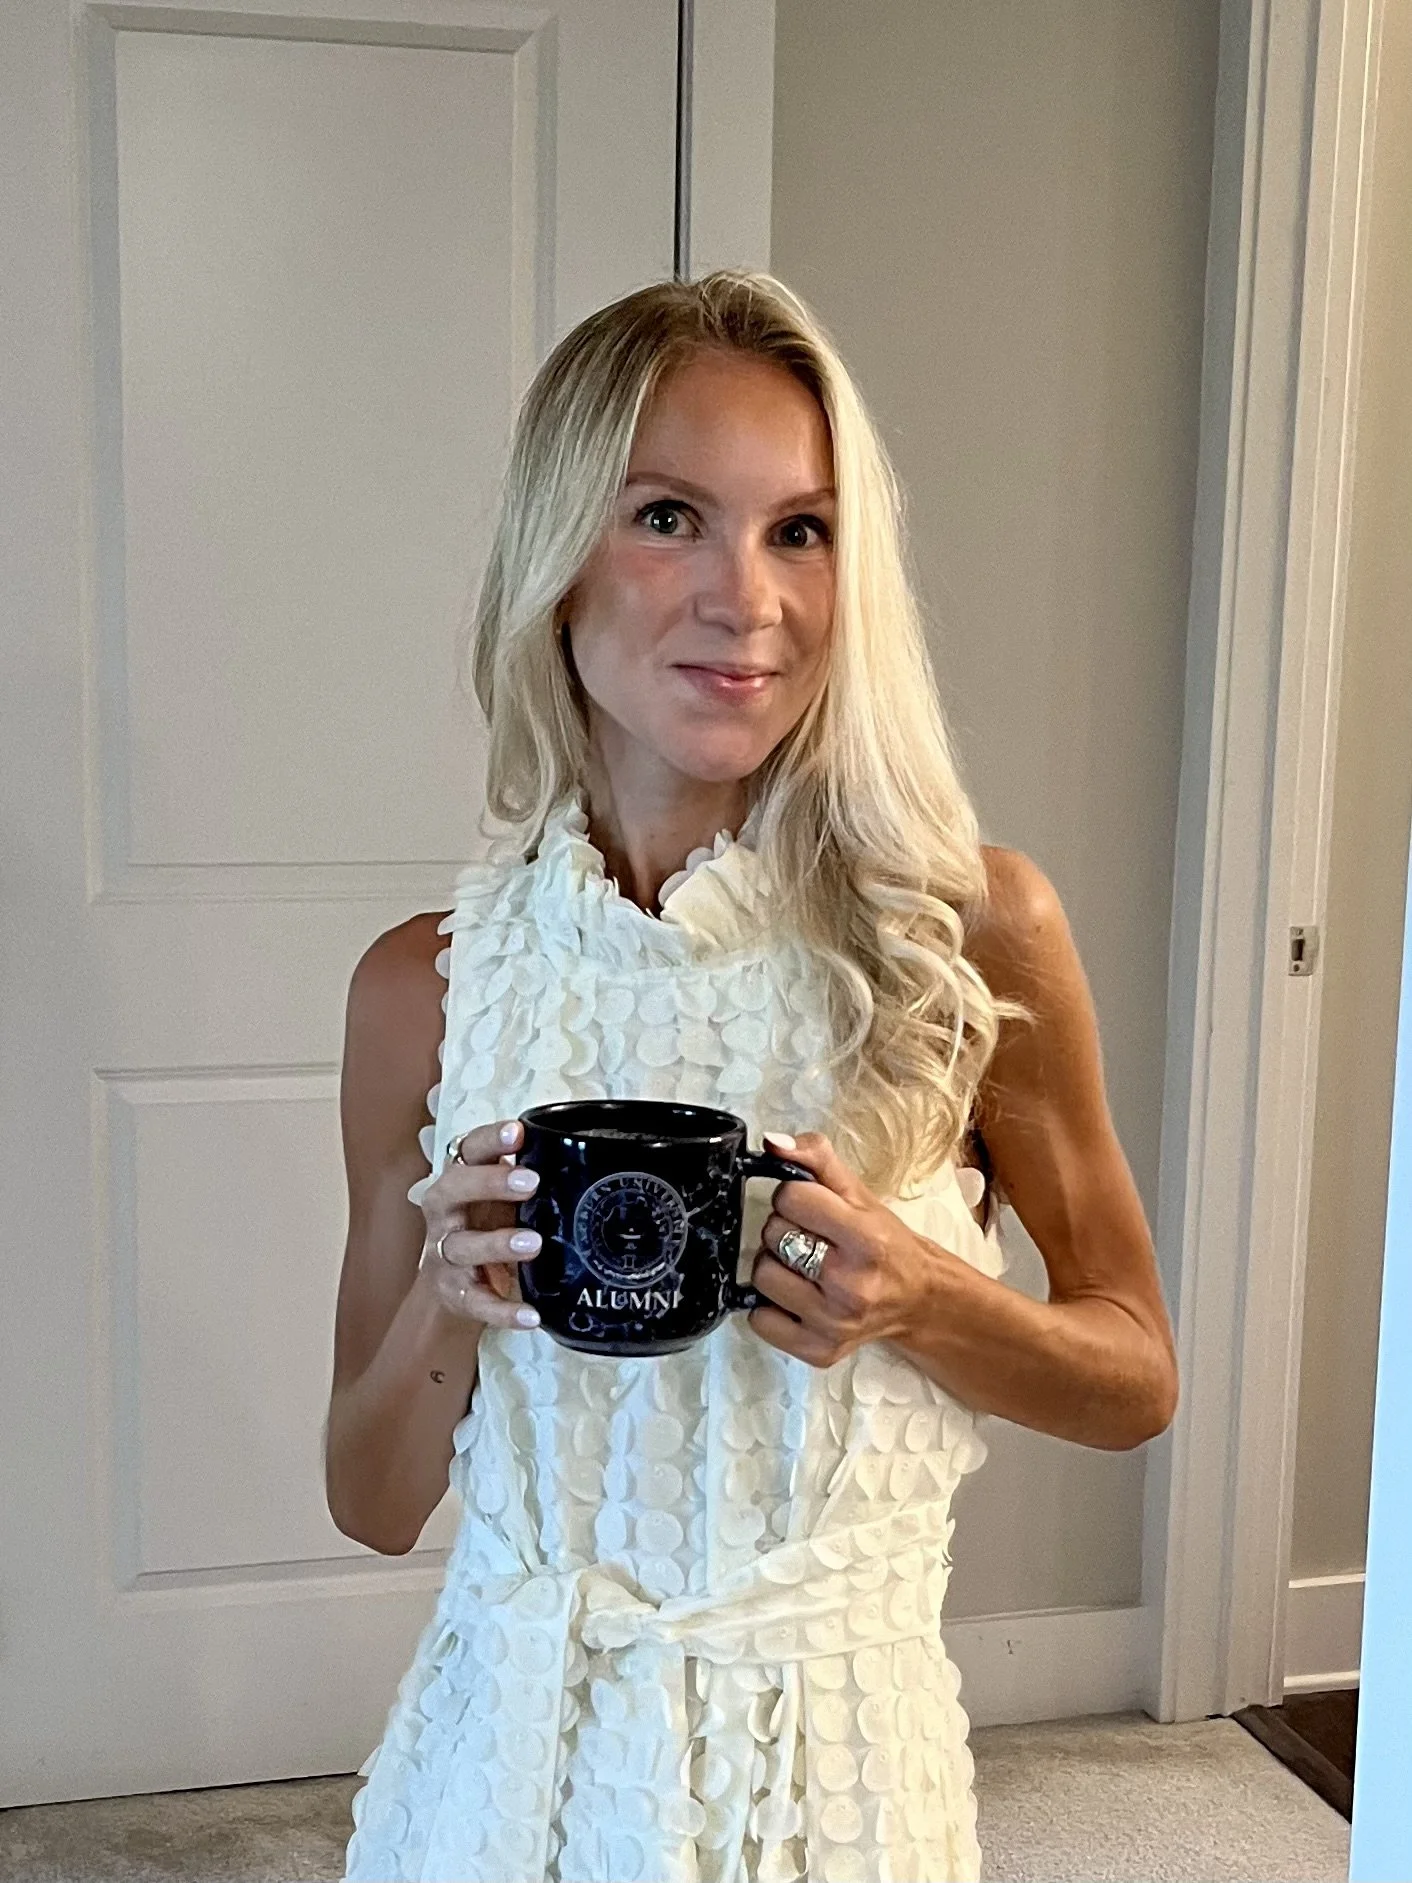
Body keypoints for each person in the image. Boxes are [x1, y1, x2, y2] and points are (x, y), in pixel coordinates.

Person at [324, 270, 1178, 1883]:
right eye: (668, 516)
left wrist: (920, 1296)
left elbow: (1135, 1373)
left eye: (803, 529)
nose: (749, 597)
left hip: (830, 1786)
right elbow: (369, 1499)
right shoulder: (422, 989)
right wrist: (450, 1294)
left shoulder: (973, 931)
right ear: (557, 558)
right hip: (509, 1776)